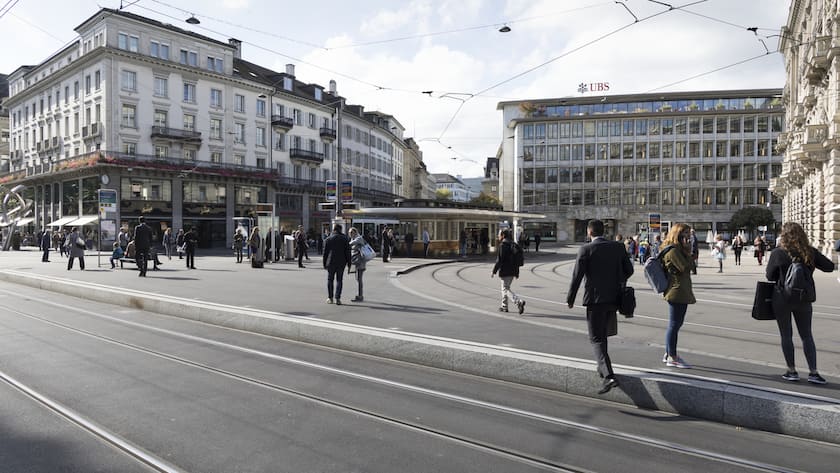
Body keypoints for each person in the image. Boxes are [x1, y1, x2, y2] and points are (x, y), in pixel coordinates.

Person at [567, 219, 633, 394]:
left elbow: (577, 276)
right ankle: (602, 368)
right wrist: (616, 280)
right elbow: (629, 270)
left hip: (595, 300)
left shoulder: (586, 249)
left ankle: (608, 376)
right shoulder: (618, 247)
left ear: (589, 232)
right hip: (614, 298)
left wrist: (571, 299)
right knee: (602, 336)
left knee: (596, 338)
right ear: (604, 231)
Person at [766, 222, 835, 384]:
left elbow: (769, 276)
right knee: (806, 335)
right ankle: (814, 372)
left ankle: (791, 371)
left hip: (782, 298)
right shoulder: (809, 252)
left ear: (783, 236)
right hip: (803, 299)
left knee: (786, 335)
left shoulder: (778, 253)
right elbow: (829, 267)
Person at [661, 223, 696, 369]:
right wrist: (688, 251)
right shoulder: (673, 251)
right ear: (678, 234)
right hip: (677, 291)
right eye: (686, 233)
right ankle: (672, 356)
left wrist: (687, 251)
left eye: (689, 233)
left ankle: (668, 352)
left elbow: (692, 268)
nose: (689, 236)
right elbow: (686, 267)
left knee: (676, 324)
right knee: (674, 325)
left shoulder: (678, 250)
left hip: (681, 290)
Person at [492, 229, 525, 315]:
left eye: (499, 235)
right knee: (505, 288)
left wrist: (494, 271)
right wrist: (517, 273)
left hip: (505, 270)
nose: (498, 236)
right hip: (513, 270)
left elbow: (500, 260)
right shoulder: (514, 244)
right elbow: (517, 260)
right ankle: (504, 306)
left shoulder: (503, 245)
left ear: (503, 235)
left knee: (505, 289)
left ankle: (518, 302)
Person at [323, 224, 351, 305]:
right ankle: (338, 298)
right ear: (341, 229)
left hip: (331, 262)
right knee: (339, 280)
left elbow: (325, 253)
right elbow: (348, 252)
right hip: (341, 263)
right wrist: (349, 264)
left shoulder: (329, 239)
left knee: (330, 280)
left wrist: (324, 263)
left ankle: (330, 298)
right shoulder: (345, 238)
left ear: (333, 229)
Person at [348, 227, 367, 302]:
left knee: (359, 279)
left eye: (351, 233)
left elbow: (351, 244)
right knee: (357, 278)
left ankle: (360, 296)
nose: (350, 234)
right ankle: (360, 295)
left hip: (360, 262)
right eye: (349, 233)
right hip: (355, 261)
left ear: (355, 232)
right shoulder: (353, 238)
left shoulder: (359, 238)